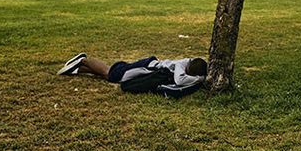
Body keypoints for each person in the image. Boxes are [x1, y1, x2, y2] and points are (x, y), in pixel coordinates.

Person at [57, 52, 207, 98]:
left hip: (148, 66)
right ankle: (83, 59)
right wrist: (200, 78)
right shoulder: (182, 65)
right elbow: (180, 81)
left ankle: (79, 68)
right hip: (144, 67)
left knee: (111, 76)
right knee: (110, 74)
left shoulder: (191, 66)